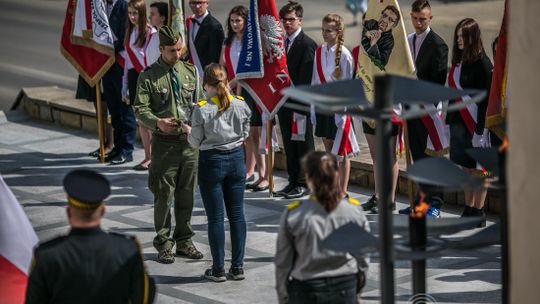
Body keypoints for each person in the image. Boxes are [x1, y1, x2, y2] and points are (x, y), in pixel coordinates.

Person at [25, 169, 155, 303]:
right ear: (103, 211)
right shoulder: (128, 250)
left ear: (69, 213)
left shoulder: (47, 255)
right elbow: (144, 297)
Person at [134, 26, 204, 264]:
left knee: (187, 194)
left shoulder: (191, 72)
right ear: (161, 49)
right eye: (172, 50)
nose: (177, 54)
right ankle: (164, 242)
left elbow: (200, 103)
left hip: (189, 143)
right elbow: (140, 108)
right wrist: (156, 122)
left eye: (179, 49)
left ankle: (184, 240)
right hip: (164, 144)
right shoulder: (149, 76)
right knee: (164, 195)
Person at [180, 63, 251, 282]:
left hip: (212, 161)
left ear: (206, 84)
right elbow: (246, 131)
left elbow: (194, 142)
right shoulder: (240, 104)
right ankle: (237, 267)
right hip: (237, 159)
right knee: (237, 215)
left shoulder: (202, 108)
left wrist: (187, 130)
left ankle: (219, 268)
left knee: (216, 218)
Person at [275, 151, 369, 304]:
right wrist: (357, 289)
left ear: (308, 178)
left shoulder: (295, 214)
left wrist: (283, 296)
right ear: (337, 176)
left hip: (306, 289)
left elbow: (283, 262)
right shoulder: (354, 212)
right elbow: (363, 258)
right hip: (344, 288)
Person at [397, 0, 448, 217]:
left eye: (423, 19)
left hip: (427, 111)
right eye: (415, 18)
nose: (418, 23)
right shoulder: (407, 41)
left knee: (431, 159)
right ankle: (420, 201)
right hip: (410, 109)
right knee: (417, 157)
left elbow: (438, 81)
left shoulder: (438, 44)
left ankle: (434, 203)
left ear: (430, 18)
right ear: (410, 16)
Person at [447, 18, 492, 226]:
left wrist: (480, 130)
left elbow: (485, 100)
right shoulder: (458, 62)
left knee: (479, 169)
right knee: (465, 167)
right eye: (457, 38)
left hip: (476, 125)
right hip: (458, 123)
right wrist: (448, 122)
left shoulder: (483, 64)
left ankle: (478, 210)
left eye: (462, 38)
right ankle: (468, 206)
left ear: (472, 38)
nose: (459, 42)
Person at [218, 5, 264, 189]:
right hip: (232, 90)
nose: (235, 24)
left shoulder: (251, 43)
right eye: (232, 20)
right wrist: (223, 83)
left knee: (255, 132)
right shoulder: (228, 42)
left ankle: (259, 172)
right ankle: (247, 169)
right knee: (241, 133)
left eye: (238, 20)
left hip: (248, 90)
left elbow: (249, 69)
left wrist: (231, 85)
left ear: (246, 22)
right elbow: (222, 65)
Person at [274, 1, 317, 199]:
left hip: (300, 105)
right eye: (284, 20)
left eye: (291, 19)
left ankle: (305, 182)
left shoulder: (307, 44)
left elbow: (306, 78)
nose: (287, 23)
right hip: (284, 103)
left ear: (300, 20)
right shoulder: (281, 43)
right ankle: (293, 181)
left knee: (303, 145)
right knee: (289, 146)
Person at [312, 13, 357, 198]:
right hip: (323, 104)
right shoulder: (319, 51)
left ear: (338, 32)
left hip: (339, 108)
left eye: (329, 30)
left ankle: (342, 189)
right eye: (323, 30)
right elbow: (315, 79)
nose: (324, 33)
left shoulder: (345, 55)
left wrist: (343, 112)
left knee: (342, 150)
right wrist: (313, 105)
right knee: (328, 146)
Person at [122, 0, 160, 171]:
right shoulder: (130, 31)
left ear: (142, 13)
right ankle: (147, 156)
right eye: (129, 13)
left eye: (135, 13)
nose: (132, 17)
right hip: (133, 77)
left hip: (145, 77)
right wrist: (125, 85)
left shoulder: (150, 32)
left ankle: (155, 157)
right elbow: (128, 61)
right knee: (141, 122)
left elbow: (150, 59)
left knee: (150, 121)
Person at [102, 0, 138, 165]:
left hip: (121, 61)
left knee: (125, 108)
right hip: (107, 62)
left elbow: (126, 33)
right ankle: (117, 146)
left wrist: (108, 47)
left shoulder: (124, 5)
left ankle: (127, 149)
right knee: (113, 107)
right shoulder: (102, 5)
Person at [186, 0, 224, 77]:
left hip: (207, 75)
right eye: (193, 3)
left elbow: (215, 56)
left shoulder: (214, 26)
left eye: (200, 2)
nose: (197, 6)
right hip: (191, 73)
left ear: (207, 3)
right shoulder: (189, 21)